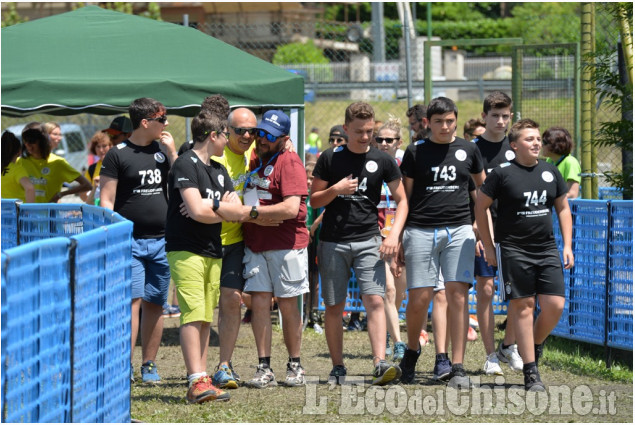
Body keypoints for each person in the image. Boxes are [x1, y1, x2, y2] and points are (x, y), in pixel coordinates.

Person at [310, 101, 408, 386]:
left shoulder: (384, 160)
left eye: (369, 131)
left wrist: (393, 236)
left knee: (375, 300)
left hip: (369, 240)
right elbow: (314, 200)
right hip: (333, 242)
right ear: (345, 128)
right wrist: (336, 190)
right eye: (359, 132)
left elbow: (403, 201)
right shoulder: (330, 158)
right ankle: (338, 366)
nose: (365, 137)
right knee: (334, 306)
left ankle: (379, 363)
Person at [475, 118, 574, 391]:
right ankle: (531, 372)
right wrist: (489, 243)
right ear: (514, 145)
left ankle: (533, 344)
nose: (536, 143)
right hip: (513, 250)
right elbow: (480, 207)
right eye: (529, 139)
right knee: (524, 306)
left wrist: (567, 245)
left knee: (555, 305)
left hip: (546, 249)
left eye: (537, 139)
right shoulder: (502, 174)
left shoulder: (550, 172)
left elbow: (563, 209)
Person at [397, 97, 485, 388]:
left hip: (459, 230)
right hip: (421, 229)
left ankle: (454, 364)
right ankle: (412, 350)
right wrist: (398, 235)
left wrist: (480, 227)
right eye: (438, 122)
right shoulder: (414, 151)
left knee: (457, 296)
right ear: (428, 123)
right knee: (420, 298)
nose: (445, 127)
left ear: (456, 120)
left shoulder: (469, 149)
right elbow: (405, 198)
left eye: (450, 121)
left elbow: (483, 193)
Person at [166, 110, 250, 403]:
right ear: (213, 135)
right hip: (186, 248)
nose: (229, 140)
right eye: (226, 135)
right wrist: (217, 208)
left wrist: (208, 204)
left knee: (204, 316)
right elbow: (200, 212)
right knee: (192, 312)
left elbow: (237, 212)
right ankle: (195, 381)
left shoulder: (218, 169)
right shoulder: (185, 164)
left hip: (213, 250)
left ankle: (202, 379)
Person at [100, 97, 177, 384]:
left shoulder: (163, 151)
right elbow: (106, 201)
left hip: (162, 241)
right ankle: (124, 365)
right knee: (132, 302)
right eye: (162, 118)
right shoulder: (117, 154)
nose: (166, 123)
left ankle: (149, 364)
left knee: (156, 303)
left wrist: (171, 154)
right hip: (129, 242)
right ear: (145, 122)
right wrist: (112, 239)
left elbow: (185, 182)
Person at [241, 110, 310, 389]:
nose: (261, 139)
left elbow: (292, 208)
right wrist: (262, 215)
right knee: (259, 303)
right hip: (257, 244)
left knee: (287, 305)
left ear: (284, 138)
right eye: (259, 132)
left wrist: (253, 213)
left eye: (269, 135)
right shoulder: (255, 158)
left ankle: (295, 365)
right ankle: (264, 366)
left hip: (286, 245)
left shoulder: (290, 162)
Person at [210, 107, 259, 390]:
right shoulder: (215, 157)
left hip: (236, 241)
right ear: (227, 130)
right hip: (207, 241)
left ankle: (224, 365)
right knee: (204, 306)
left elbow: (248, 204)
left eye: (252, 130)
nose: (247, 136)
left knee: (231, 300)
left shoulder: (253, 158)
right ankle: (198, 370)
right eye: (240, 130)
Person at [472, 91, 521, 376]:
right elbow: (470, 194)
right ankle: (490, 355)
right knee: (486, 290)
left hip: (514, 230)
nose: (500, 121)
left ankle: (509, 345)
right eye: (495, 116)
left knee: (520, 295)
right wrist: (477, 228)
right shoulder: (472, 149)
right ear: (484, 117)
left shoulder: (515, 148)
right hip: (482, 229)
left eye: (505, 116)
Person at [374, 117, 408, 362]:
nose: (384, 143)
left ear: (399, 142)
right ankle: (397, 342)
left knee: (399, 292)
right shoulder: (370, 163)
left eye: (389, 140)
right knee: (388, 289)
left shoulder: (407, 166)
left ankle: (387, 330)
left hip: (402, 234)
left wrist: (401, 237)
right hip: (376, 235)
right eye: (380, 139)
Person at [19, 122, 92, 203]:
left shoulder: (57, 162)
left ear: (42, 140)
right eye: (25, 141)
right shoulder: (20, 162)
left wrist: (60, 195)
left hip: (49, 213)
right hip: (26, 214)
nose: (28, 144)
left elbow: (87, 185)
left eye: (32, 141)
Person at [541, 127, 581, 199]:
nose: (541, 145)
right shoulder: (549, 161)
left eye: (544, 142)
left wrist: (550, 199)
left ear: (555, 145)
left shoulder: (570, 162)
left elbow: (572, 194)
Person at [1, 131, 35, 203]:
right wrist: (28, 210)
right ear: (19, 151)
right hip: (18, 211)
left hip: (4, 210)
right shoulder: (17, 170)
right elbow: (30, 188)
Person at [80, 131, 112, 204]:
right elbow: (84, 198)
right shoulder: (92, 169)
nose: (101, 150)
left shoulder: (118, 165)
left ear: (110, 146)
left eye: (104, 146)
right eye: (98, 146)